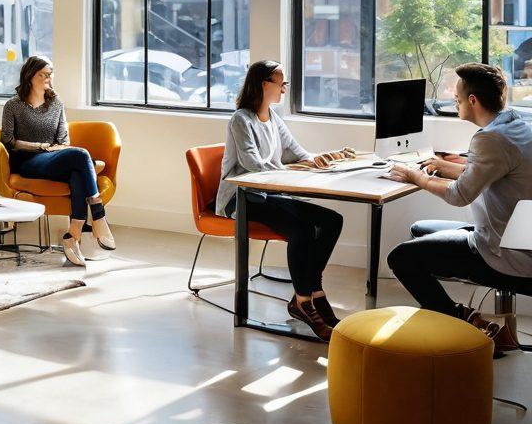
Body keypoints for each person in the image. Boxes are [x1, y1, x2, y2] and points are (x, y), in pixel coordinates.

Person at [386, 63, 532, 352]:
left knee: (401, 258)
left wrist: (416, 176)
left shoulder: (489, 139)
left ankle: (465, 324)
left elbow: (459, 196)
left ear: (473, 101)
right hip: (522, 236)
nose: (454, 101)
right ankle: (483, 327)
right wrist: (449, 166)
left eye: (457, 97)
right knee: (420, 229)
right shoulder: (516, 125)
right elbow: (495, 170)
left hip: (505, 252)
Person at [217, 60, 352, 341]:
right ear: (265, 84)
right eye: (282, 83)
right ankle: (304, 301)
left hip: (271, 193)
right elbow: (252, 165)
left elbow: (294, 151)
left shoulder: (274, 117)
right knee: (300, 230)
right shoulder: (241, 119)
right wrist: (293, 168)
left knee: (331, 220)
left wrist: (317, 159)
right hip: (241, 197)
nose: (284, 89)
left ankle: (313, 291)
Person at [0, 55, 114, 267]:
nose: (47, 78)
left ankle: (73, 235)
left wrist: (52, 149)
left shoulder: (56, 103)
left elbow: (64, 140)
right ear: (29, 76)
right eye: (42, 74)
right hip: (26, 161)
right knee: (81, 155)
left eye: (49, 74)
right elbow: (7, 140)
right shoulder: (13, 105)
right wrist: (37, 146)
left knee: (76, 172)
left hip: (51, 157)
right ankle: (97, 216)